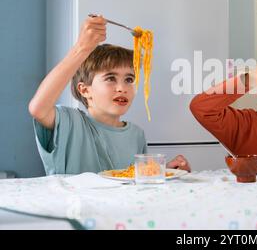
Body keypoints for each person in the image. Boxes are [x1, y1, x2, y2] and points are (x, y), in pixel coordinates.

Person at [29, 16, 190, 175]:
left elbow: (131, 180)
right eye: (111, 78)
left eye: (129, 79)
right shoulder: (69, 123)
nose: (122, 88)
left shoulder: (136, 134)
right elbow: (38, 108)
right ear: (85, 90)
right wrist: (82, 48)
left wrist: (164, 171)